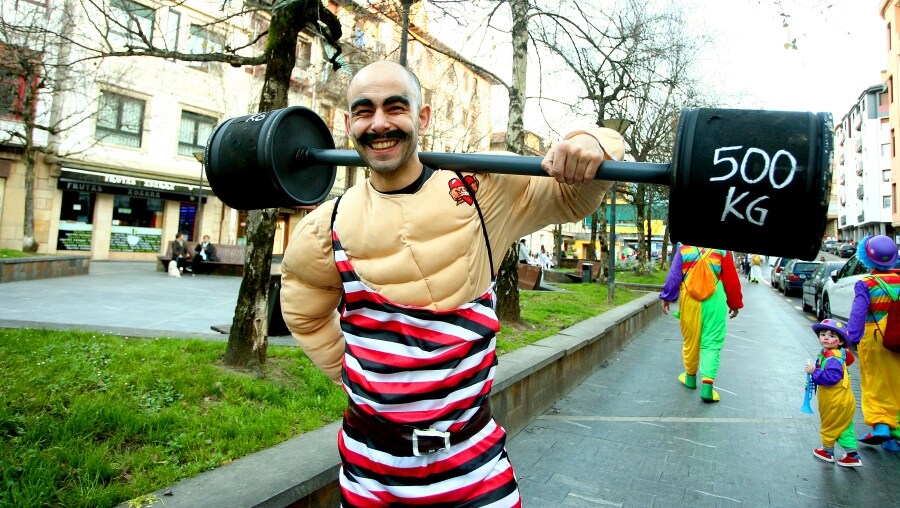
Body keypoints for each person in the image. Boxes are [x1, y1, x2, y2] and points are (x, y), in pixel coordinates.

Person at [279, 60, 625, 506]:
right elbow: (304, 313)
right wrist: (360, 382)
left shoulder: (484, 192)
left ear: (422, 117)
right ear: (348, 124)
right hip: (369, 478)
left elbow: (573, 195)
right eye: (364, 111)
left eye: (395, 107)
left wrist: (590, 141)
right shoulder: (326, 226)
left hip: (473, 472)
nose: (379, 123)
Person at [659, 244, 743, 402]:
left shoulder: (684, 248)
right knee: (711, 342)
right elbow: (731, 280)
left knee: (691, 339)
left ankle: (690, 377)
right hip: (714, 302)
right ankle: (707, 388)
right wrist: (735, 303)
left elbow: (675, 276)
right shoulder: (722, 250)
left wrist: (667, 296)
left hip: (689, 301)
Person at [846, 234, 900, 451]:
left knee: (875, 382)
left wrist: (851, 338)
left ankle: (881, 426)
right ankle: (895, 431)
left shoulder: (866, 283)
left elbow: (858, 313)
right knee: (896, 382)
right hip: (898, 338)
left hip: (875, 338)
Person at [805, 318, 862, 467]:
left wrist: (814, 371)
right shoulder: (833, 354)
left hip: (835, 402)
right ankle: (852, 455)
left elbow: (831, 378)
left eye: (832, 336)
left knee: (829, 424)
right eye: (823, 334)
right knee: (844, 426)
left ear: (841, 341)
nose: (826, 337)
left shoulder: (833, 358)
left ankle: (827, 451)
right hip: (844, 400)